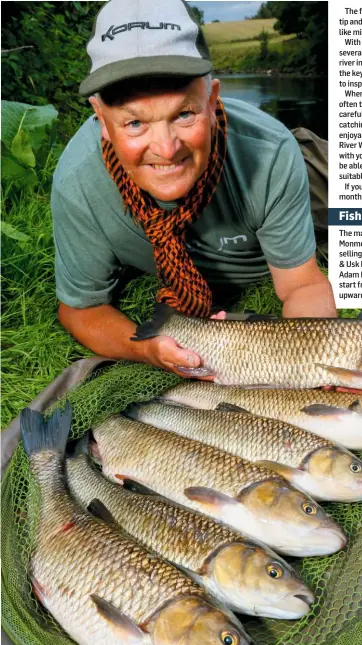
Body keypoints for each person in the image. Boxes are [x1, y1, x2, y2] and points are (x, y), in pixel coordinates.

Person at [52, 0, 337, 379]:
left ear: (212, 98)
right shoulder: (78, 183)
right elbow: (80, 309)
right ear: (100, 118)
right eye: (134, 123)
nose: (166, 149)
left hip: (307, 169)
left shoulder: (271, 154)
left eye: (184, 114)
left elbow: (302, 284)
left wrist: (315, 365)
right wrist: (147, 349)